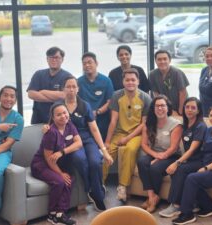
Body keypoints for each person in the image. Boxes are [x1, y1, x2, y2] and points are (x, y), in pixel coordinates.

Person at [48, 76, 114, 211]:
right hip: (69, 142)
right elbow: (51, 124)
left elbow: (94, 129)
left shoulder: (85, 105)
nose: (71, 89)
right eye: (68, 86)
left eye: (74, 86)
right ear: (63, 89)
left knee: (95, 161)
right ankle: (93, 190)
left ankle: (96, 192)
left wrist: (104, 150)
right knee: (80, 159)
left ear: (78, 89)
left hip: (86, 139)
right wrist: (46, 127)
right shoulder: (57, 106)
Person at [172, 104, 212, 225]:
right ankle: (211, 207)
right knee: (186, 174)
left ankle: (187, 214)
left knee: (192, 178)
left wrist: (206, 168)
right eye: (211, 115)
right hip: (207, 168)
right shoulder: (209, 130)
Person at [103, 68, 152, 202]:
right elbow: (113, 121)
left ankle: (122, 186)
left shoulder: (145, 98)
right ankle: (99, 185)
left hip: (136, 134)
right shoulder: (116, 96)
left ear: (138, 81)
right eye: (127, 80)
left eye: (133, 80)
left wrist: (128, 138)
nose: (130, 82)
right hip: (119, 132)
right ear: (123, 82)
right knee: (107, 153)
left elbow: (144, 124)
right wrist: (106, 142)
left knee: (129, 150)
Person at [31, 103, 82, 225]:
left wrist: (62, 152)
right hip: (41, 165)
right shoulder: (51, 132)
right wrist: (60, 173)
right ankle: (51, 213)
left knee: (69, 180)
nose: (63, 116)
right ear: (53, 118)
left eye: (65, 113)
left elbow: (79, 143)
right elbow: (49, 158)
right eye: (58, 114)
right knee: (60, 181)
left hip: (57, 162)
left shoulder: (69, 125)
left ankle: (60, 213)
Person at [158, 97, 207, 218]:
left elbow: (192, 149)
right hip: (190, 160)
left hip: (201, 161)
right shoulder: (184, 124)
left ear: (198, 110)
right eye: (187, 107)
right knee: (178, 169)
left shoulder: (200, 126)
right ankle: (193, 203)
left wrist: (177, 163)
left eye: (193, 107)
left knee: (179, 170)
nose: (189, 110)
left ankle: (175, 205)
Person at [137, 95, 183, 213]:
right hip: (155, 153)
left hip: (171, 155)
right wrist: (156, 155)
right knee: (142, 162)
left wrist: (161, 157)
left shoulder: (176, 124)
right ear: (153, 108)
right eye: (157, 106)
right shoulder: (148, 123)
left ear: (168, 108)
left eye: (163, 105)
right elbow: (144, 145)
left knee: (154, 168)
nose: (160, 108)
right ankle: (152, 197)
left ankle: (152, 200)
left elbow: (174, 147)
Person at [0, 86, 24, 225]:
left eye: (12, 96)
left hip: (1, 150)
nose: (8, 99)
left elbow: (8, 143)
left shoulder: (18, 118)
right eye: (5, 95)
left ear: (15, 100)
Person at [27, 46, 71, 124]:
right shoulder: (38, 74)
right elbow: (31, 94)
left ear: (62, 59)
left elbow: (65, 95)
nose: (54, 60)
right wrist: (56, 98)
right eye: (51, 57)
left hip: (60, 120)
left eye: (57, 57)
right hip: (39, 118)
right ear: (47, 59)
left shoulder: (67, 77)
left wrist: (43, 92)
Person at [78, 52, 114, 140]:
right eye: (84, 63)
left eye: (90, 62)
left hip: (102, 119)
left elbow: (110, 102)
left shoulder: (106, 81)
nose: (87, 65)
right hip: (84, 120)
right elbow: (76, 102)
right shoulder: (78, 82)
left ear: (96, 63)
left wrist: (97, 112)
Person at [149, 50, 189, 116]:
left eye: (165, 59)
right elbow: (155, 93)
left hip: (180, 108)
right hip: (163, 108)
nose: (162, 62)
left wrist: (180, 112)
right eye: (159, 59)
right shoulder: (152, 74)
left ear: (169, 60)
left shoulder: (177, 73)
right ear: (155, 61)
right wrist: (164, 108)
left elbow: (183, 93)